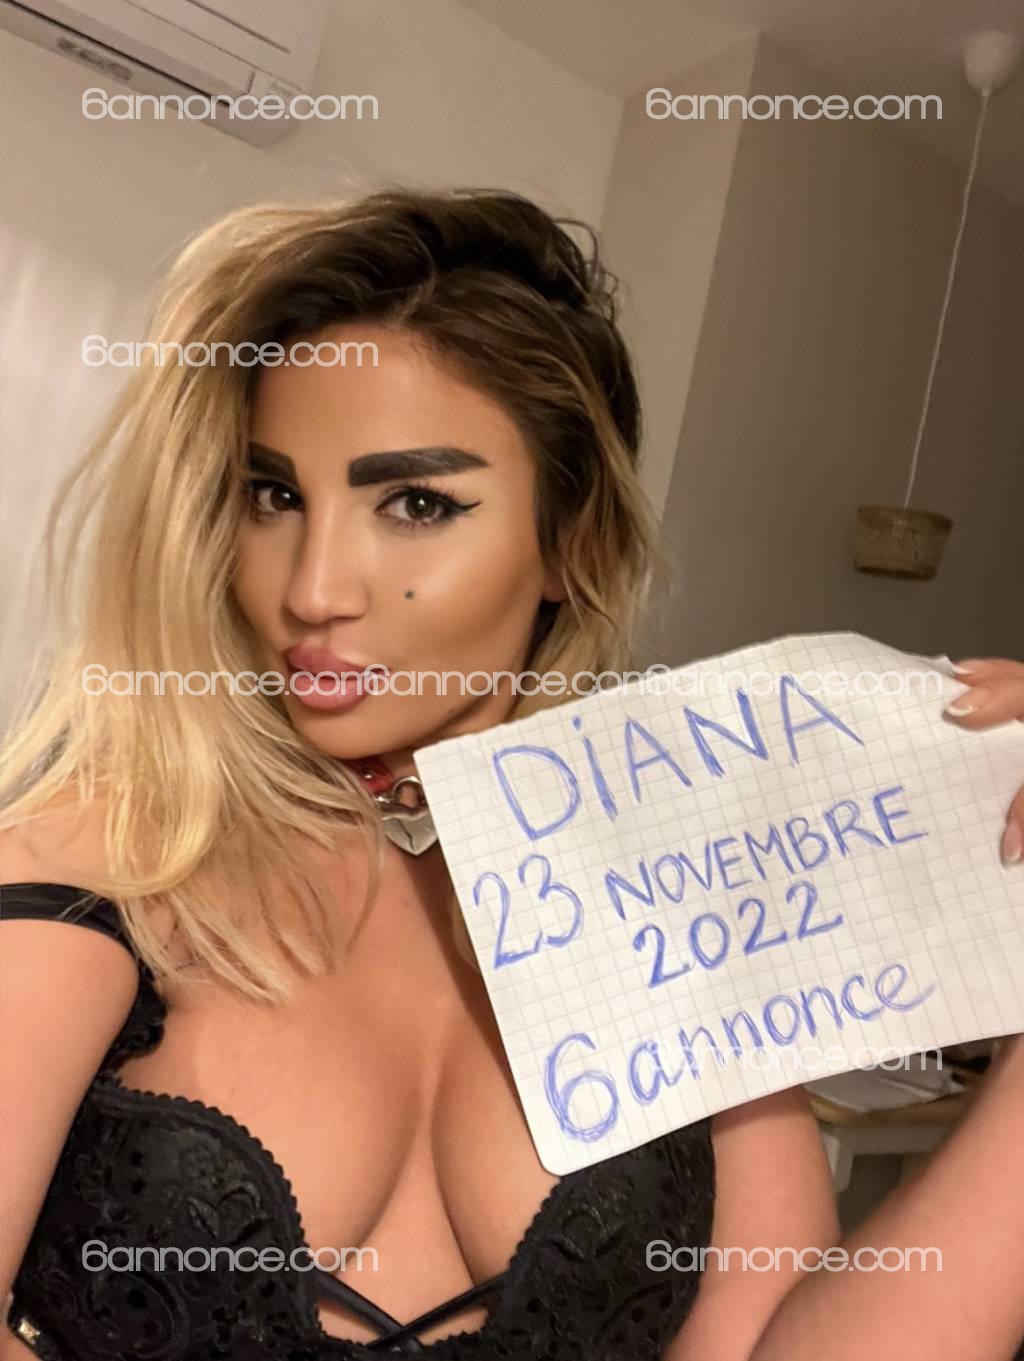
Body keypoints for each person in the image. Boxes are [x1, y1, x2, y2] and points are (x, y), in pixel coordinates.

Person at [0, 188, 1021, 1361]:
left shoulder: (677, 882)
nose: (312, 588)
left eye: (415, 503)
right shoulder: (107, 851)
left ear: (570, 546)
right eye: (274, 494)